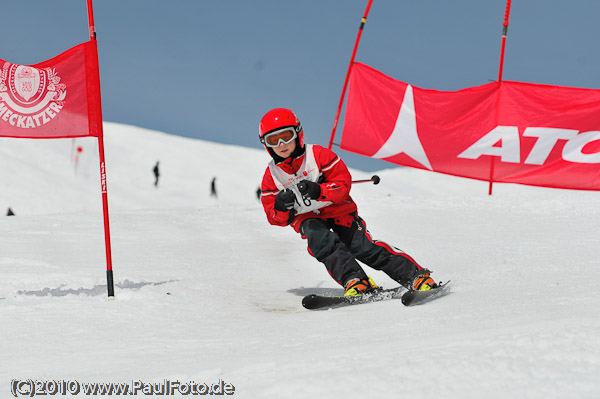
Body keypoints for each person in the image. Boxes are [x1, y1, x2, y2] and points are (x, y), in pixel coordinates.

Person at [258, 108, 437, 296]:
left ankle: (416, 276)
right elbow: (274, 217)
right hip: (307, 218)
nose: (281, 144)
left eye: (286, 136)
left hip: (338, 211)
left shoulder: (318, 156)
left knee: (361, 247)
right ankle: (356, 281)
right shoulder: (272, 176)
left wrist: (320, 190)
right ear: (266, 145)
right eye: (273, 140)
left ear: (298, 133)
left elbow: (343, 184)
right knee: (321, 241)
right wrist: (281, 207)